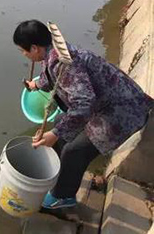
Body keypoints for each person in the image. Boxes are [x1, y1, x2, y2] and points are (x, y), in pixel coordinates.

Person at [13, 20, 153, 209]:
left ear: (35, 48)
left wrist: (54, 134)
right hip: (104, 103)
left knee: (74, 151)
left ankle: (63, 196)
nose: (24, 55)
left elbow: (84, 104)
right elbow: (51, 76)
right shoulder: (52, 52)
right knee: (62, 120)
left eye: (24, 51)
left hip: (121, 111)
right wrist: (35, 85)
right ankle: (60, 172)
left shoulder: (66, 64)